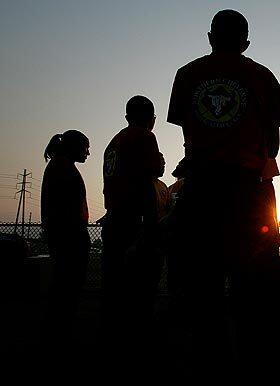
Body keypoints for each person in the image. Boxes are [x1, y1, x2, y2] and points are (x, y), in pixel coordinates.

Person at [166, 9, 280, 384]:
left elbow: (188, 129)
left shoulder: (187, 74)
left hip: (202, 187)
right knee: (253, 284)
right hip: (249, 190)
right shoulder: (262, 75)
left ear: (209, 37)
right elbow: (274, 137)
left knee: (203, 283)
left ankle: (210, 363)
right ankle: (256, 364)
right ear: (246, 41)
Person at [100, 95, 161, 353]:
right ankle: (138, 340)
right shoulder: (144, 137)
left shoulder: (113, 142)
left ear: (127, 117)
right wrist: (151, 224)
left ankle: (112, 336)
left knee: (114, 283)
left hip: (113, 216)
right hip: (133, 217)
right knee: (141, 283)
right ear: (152, 118)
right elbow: (151, 176)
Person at [41, 130, 91, 346]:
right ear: (74, 146)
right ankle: (60, 332)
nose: (88, 152)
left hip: (65, 234)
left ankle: (59, 329)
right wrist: (77, 233)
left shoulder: (61, 165)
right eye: (85, 147)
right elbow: (65, 207)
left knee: (64, 283)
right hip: (69, 235)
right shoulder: (62, 167)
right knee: (66, 284)